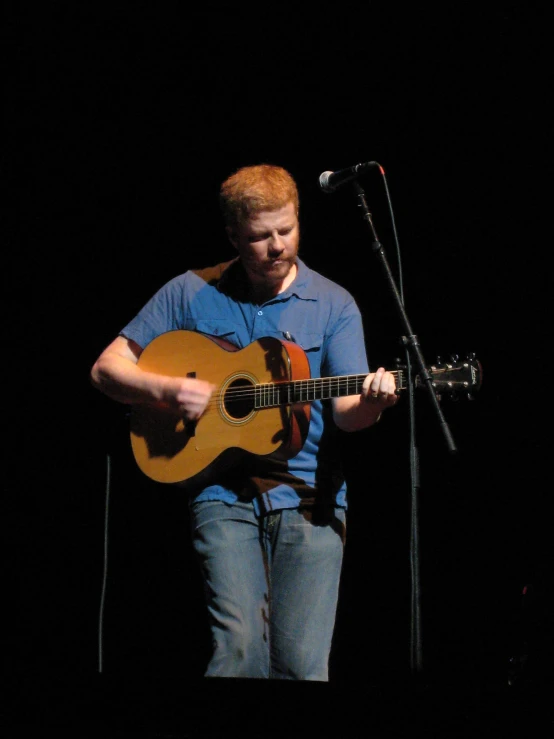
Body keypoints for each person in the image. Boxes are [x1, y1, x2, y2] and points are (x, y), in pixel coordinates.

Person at [90, 163, 399, 681]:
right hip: (221, 490)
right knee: (238, 654)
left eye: (287, 230)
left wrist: (375, 401)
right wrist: (168, 389)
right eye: (260, 236)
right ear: (234, 234)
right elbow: (106, 368)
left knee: (302, 667)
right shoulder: (191, 291)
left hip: (310, 498)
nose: (277, 246)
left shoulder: (333, 304)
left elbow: (347, 416)